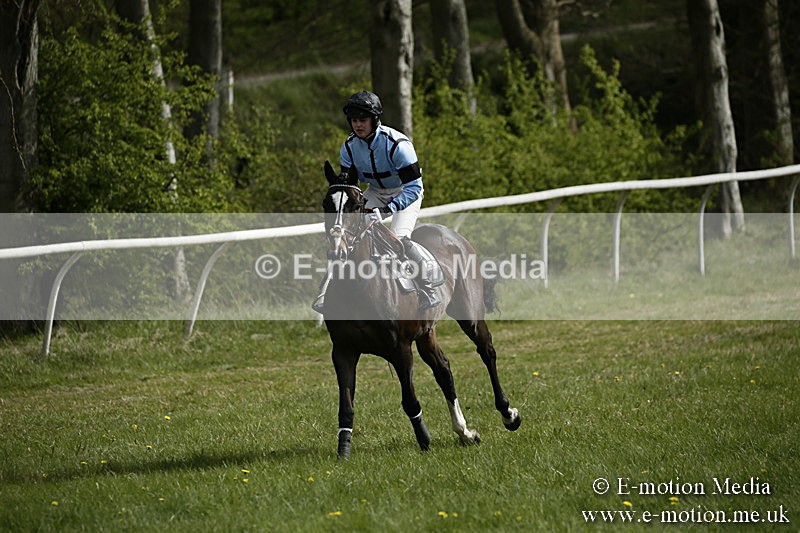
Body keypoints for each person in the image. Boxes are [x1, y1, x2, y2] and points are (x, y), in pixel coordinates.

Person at [323, 90, 440, 311]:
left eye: (363, 120)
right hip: (375, 192)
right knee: (349, 237)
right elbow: (351, 188)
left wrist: (389, 209)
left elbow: (414, 187)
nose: (358, 125)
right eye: (354, 120)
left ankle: (427, 288)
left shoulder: (398, 145)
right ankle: (330, 290)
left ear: (375, 120)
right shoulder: (348, 147)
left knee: (399, 240)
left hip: (405, 192)